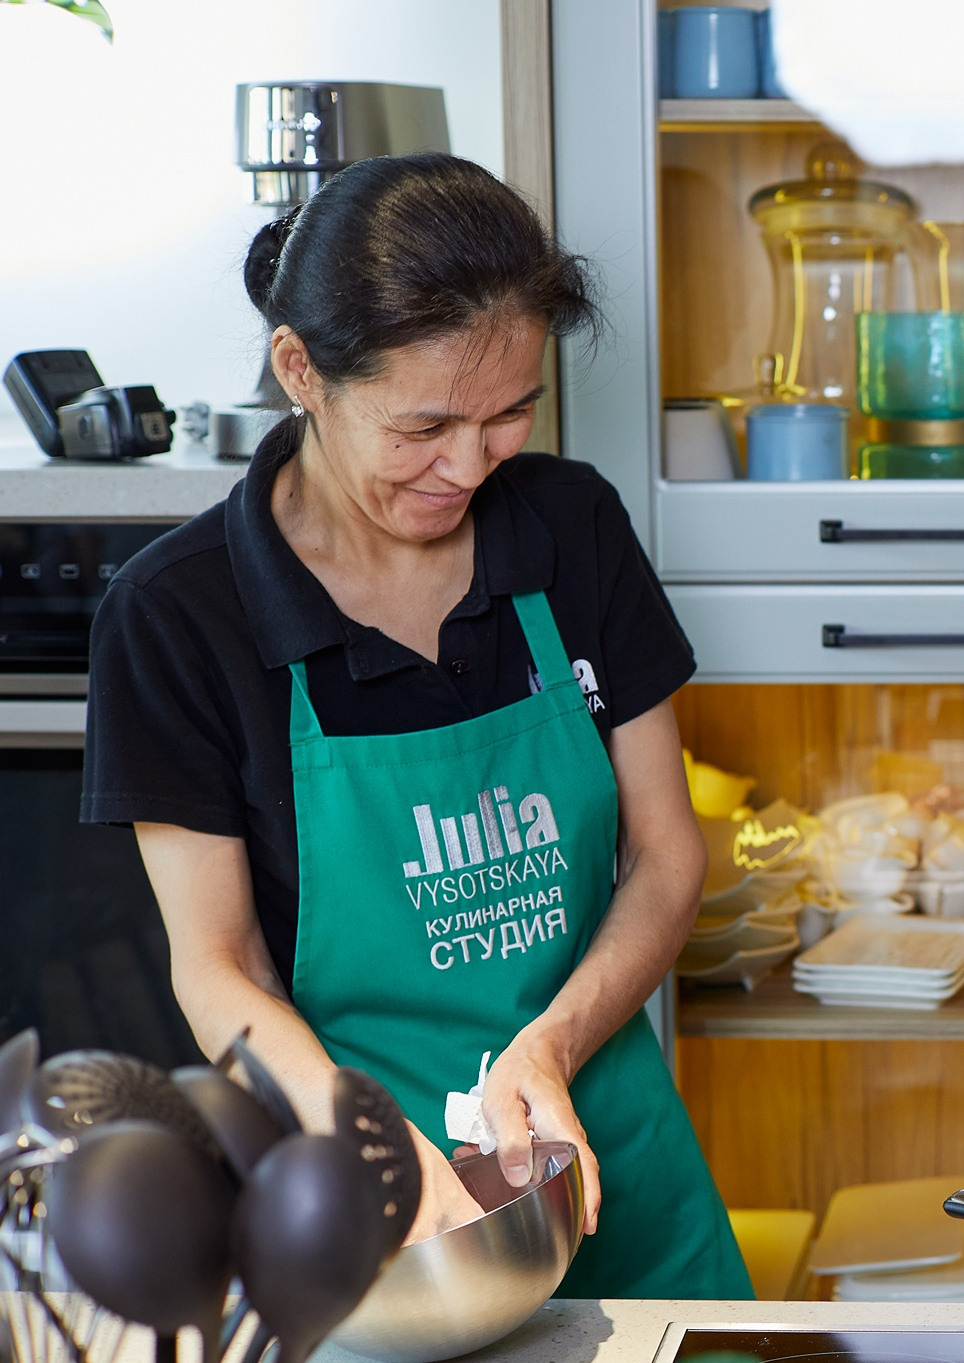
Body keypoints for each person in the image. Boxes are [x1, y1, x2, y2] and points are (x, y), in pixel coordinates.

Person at [80, 152, 750, 1299]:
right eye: (425, 424)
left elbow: (665, 851)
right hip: (364, 1200)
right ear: (302, 370)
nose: (469, 465)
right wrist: (364, 1137)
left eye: (510, 413)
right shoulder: (179, 615)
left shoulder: (571, 526)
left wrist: (551, 1047)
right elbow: (221, 965)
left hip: (610, 1149)